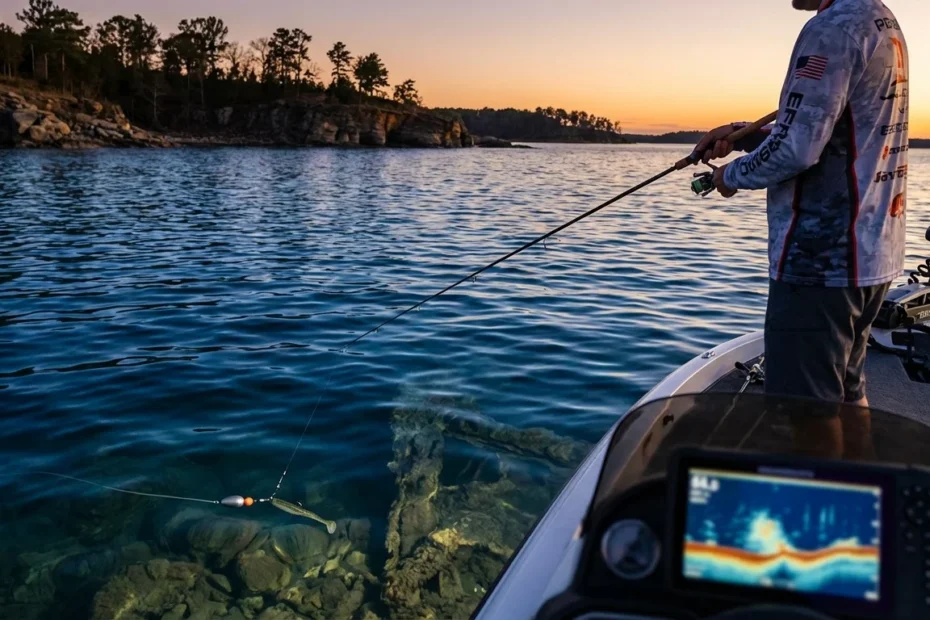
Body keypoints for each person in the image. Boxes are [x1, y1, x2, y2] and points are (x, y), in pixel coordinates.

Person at [695, 0, 909, 423]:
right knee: (847, 393)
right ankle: (856, 467)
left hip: (820, 261)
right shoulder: (878, 19)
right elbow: (828, 133)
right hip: (871, 254)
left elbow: (796, 149)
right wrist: (742, 134)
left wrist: (730, 176)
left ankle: (817, 470)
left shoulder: (831, 29)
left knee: (806, 417)